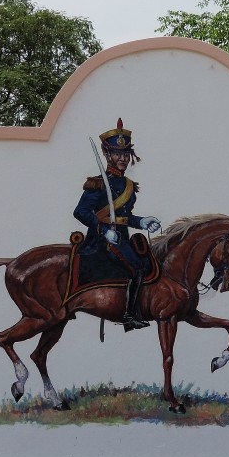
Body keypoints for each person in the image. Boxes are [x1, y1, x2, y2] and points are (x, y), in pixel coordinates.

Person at [74, 119, 162, 331]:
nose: (122, 159)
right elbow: (80, 212)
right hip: (100, 240)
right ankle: (129, 316)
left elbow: (125, 216)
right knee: (137, 267)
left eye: (125, 154)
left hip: (121, 236)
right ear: (107, 155)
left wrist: (141, 221)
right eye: (117, 154)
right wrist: (104, 231)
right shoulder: (97, 184)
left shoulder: (129, 186)